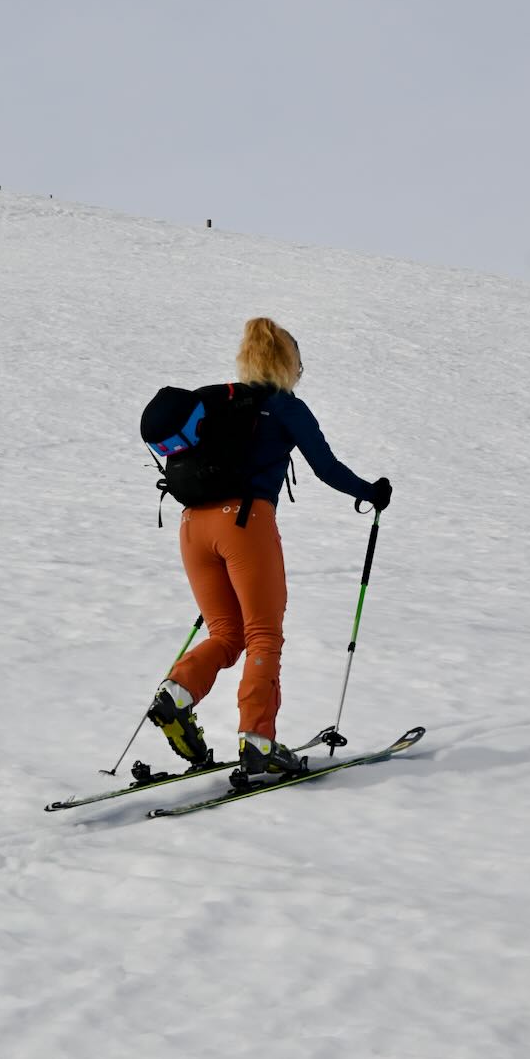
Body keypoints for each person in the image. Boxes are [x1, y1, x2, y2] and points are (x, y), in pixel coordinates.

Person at [148, 316, 392, 778]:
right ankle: (258, 741)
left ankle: (175, 694)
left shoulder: (212, 398)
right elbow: (326, 467)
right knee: (262, 633)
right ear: (288, 364)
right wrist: (371, 492)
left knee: (226, 633)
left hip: (192, 526)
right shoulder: (285, 407)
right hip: (244, 524)